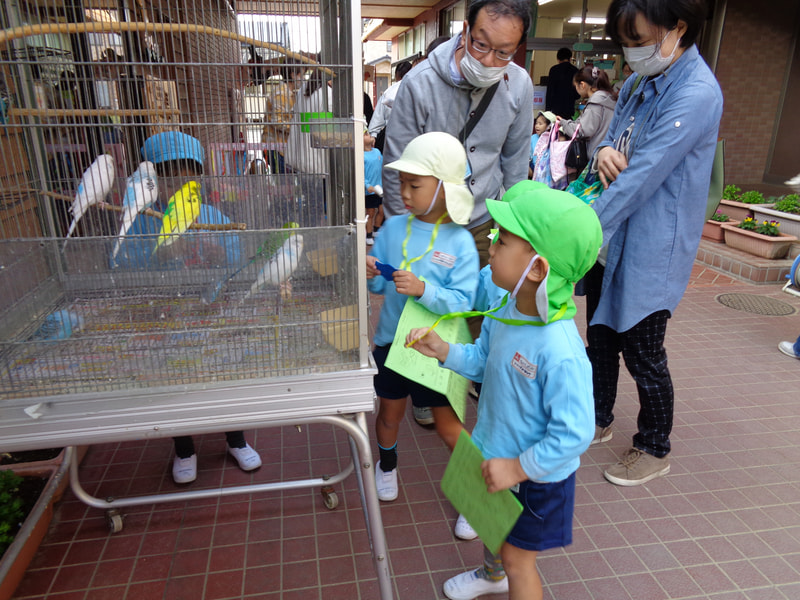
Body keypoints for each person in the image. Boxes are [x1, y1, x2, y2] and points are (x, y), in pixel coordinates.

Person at [405, 180, 602, 600]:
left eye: (503, 240)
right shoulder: (505, 309)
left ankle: (501, 574)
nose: (491, 248)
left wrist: (517, 468)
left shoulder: (560, 352)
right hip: (495, 450)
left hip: (535, 478)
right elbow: (483, 359)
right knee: (493, 527)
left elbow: (575, 433)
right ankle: (490, 575)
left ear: (537, 269)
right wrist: (444, 351)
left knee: (518, 561)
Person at [585, 0, 723, 486]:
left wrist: (579, 232)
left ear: (677, 28)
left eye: (639, 41)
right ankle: (597, 417)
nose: (630, 53)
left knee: (643, 353)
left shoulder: (696, 92)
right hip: (611, 235)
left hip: (651, 244)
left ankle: (653, 445)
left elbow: (643, 175)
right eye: (625, 43)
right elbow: (611, 139)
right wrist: (603, 148)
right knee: (600, 338)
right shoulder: (639, 81)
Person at [137, 131, 261, 484]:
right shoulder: (144, 219)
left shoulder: (210, 214)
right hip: (169, 312)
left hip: (212, 307)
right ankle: (184, 447)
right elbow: (127, 265)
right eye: (169, 178)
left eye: (187, 177)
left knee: (223, 374)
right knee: (174, 380)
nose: (179, 185)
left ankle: (236, 439)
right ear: (153, 182)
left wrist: (221, 255)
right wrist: (161, 255)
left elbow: (236, 257)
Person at [366, 132, 478, 510]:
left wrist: (423, 289)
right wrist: (371, 273)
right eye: (401, 183)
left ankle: (473, 494)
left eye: (415, 185)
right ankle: (387, 466)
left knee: (449, 426)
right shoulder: (393, 228)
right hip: (391, 344)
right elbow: (380, 285)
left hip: (436, 349)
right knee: (389, 414)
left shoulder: (460, 242)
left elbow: (464, 302)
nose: (404, 193)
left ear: (446, 188)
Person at [381, 0, 533, 268]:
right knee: (425, 292)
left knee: (481, 291)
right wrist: (402, 236)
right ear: (465, 31)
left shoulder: (519, 85)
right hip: (428, 223)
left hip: (484, 221)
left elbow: (516, 165)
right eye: (481, 44)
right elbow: (397, 165)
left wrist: (511, 230)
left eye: (503, 52)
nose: (488, 60)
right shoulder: (420, 83)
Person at [557, 65, 618, 161]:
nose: (576, 89)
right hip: (609, 155)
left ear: (582, 85)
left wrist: (564, 123)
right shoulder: (609, 99)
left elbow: (582, 131)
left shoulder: (595, 104)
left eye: (576, 86)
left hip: (596, 157)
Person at [367, 60, 412, 153]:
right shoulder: (419, 90)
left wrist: (373, 137)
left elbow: (375, 123)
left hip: (390, 139)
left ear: (396, 75)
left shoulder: (389, 93)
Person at [545, 48, 579, 119]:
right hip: (569, 109)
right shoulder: (575, 71)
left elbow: (550, 91)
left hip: (555, 109)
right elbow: (577, 94)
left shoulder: (554, 70)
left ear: (558, 59)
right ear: (570, 58)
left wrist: (547, 110)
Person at [363, 131, 383, 244]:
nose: (369, 134)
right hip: (369, 190)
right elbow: (360, 174)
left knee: (382, 210)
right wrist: (367, 185)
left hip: (380, 188)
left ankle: (377, 229)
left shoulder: (377, 151)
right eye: (365, 134)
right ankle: (369, 235)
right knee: (370, 213)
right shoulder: (361, 156)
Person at [529, 110, 556, 178]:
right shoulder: (533, 137)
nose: (537, 126)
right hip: (534, 166)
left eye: (540, 124)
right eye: (536, 123)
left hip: (547, 169)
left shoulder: (553, 139)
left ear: (549, 126)